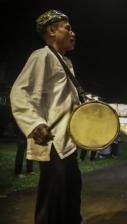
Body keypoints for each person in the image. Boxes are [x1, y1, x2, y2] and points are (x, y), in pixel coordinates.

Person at [10, 10, 82, 224]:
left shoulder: (66, 63)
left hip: (68, 142)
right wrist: (35, 123)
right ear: (51, 31)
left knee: (71, 196)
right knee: (52, 202)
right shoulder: (41, 56)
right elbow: (20, 92)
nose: (73, 33)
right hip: (54, 142)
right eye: (67, 28)